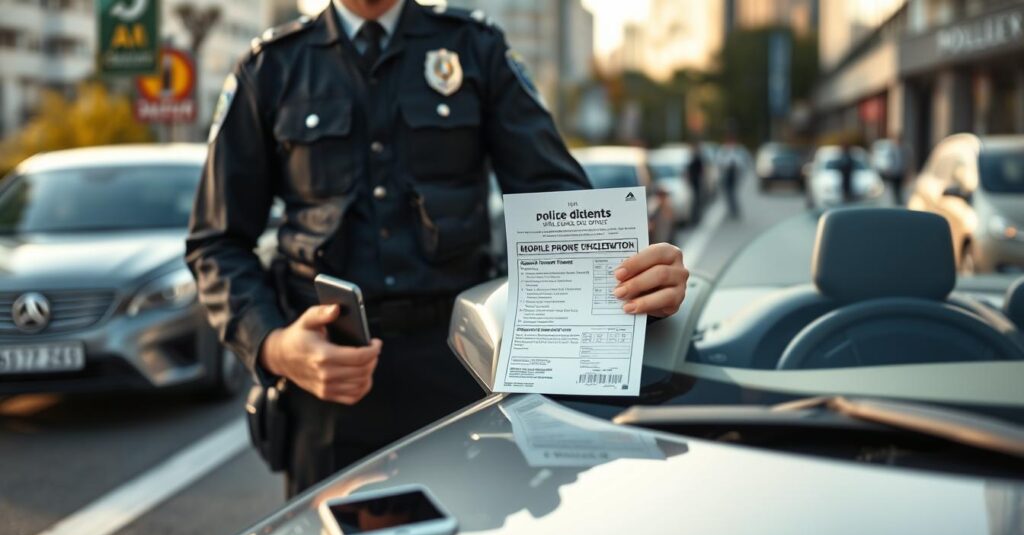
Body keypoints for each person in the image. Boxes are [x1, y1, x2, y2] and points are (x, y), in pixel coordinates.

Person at [186, 0, 690, 497]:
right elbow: (217, 242)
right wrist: (275, 346)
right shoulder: (271, 66)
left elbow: (560, 209)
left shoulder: (474, 47)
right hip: (326, 387)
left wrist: (635, 281)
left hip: (460, 376)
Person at [716, 137, 747, 219]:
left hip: (733, 174)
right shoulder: (723, 150)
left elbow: (740, 163)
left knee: (732, 193)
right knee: (728, 194)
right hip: (726, 173)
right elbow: (719, 161)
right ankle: (731, 210)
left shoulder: (737, 151)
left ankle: (734, 210)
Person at [686, 141, 705, 218]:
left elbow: (700, 170)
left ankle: (696, 216)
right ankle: (696, 215)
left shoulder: (697, 158)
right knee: (695, 200)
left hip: (696, 181)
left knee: (696, 200)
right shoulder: (693, 157)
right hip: (694, 182)